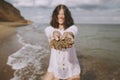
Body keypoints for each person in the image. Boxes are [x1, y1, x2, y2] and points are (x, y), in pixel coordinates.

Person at [44, 4, 80, 80]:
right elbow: (50, 31)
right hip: (55, 66)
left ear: (67, 16)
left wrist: (68, 34)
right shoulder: (49, 29)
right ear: (55, 15)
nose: (60, 16)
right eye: (58, 14)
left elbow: (72, 31)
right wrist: (55, 33)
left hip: (71, 67)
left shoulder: (72, 27)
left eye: (63, 14)